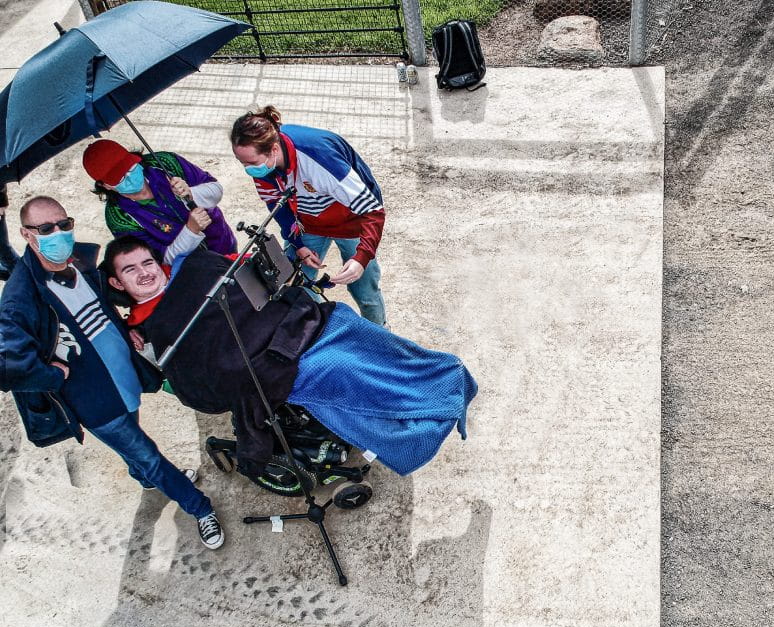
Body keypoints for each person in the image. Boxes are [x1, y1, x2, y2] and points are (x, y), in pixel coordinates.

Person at [101, 237, 475, 477]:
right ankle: (421, 426)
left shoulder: (198, 267)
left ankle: (446, 377)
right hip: (280, 360)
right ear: (118, 284)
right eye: (130, 270)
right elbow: (198, 389)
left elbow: (259, 280)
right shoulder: (154, 330)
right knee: (342, 371)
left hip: (304, 321)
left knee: (353, 325)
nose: (144, 273)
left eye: (146, 262)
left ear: (158, 262)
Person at [0, 196, 223, 549]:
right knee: (146, 453)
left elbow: (112, 295)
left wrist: (127, 326)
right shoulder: (20, 296)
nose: (58, 233)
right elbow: (7, 366)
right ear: (27, 235)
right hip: (92, 398)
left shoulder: (81, 262)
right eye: (46, 229)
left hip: (124, 375)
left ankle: (146, 474)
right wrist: (53, 376)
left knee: (134, 441)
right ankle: (199, 507)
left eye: (64, 224)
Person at [230, 106, 389, 325]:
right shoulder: (263, 166)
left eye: (252, 163)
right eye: (242, 162)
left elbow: (372, 211)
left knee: (365, 291)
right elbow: (276, 203)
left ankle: (378, 333)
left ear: (274, 149)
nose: (248, 170)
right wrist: (298, 245)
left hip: (352, 223)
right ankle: (320, 327)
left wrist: (361, 258)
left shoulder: (319, 157)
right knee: (297, 284)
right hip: (307, 225)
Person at [82, 139, 237, 264]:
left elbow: (216, 190)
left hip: (224, 242)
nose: (129, 176)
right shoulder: (119, 218)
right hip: (193, 269)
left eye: (130, 167)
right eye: (119, 177)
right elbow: (161, 260)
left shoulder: (164, 162)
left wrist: (192, 193)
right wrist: (191, 230)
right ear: (105, 185)